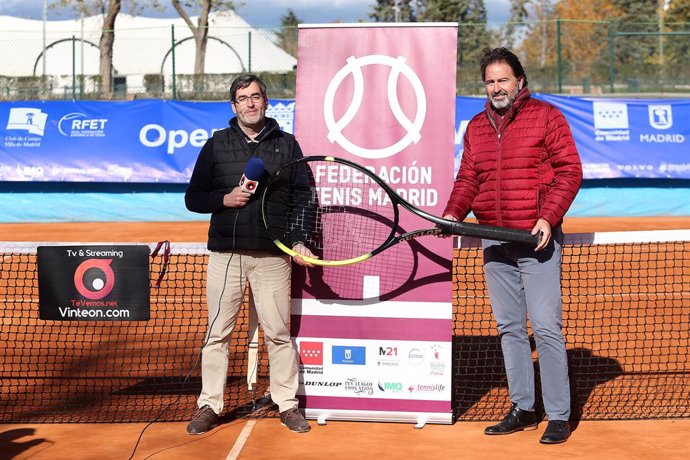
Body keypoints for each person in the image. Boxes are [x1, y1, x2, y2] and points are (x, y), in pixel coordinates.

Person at [443, 48, 582, 444]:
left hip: (536, 242)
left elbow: (570, 171)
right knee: (510, 329)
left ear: (520, 81)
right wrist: (454, 213)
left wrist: (547, 217)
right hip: (495, 244)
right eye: (490, 81)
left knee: (546, 328)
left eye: (503, 79)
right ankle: (523, 407)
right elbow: (469, 178)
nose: (496, 87)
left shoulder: (546, 117)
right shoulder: (476, 127)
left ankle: (558, 414)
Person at [184, 74, 315, 435]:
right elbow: (193, 197)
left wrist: (301, 238)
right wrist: (222, 200)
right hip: (226, 255)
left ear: (267, 101)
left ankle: (286, 403)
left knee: (278, 333)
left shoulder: (287, 145)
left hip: (273, 256)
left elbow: (304, 197)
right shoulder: (216, 145)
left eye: (256, 97)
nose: (251, 104)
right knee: (217, 335)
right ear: (234, 106)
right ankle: (210, 404)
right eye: (243, 98)